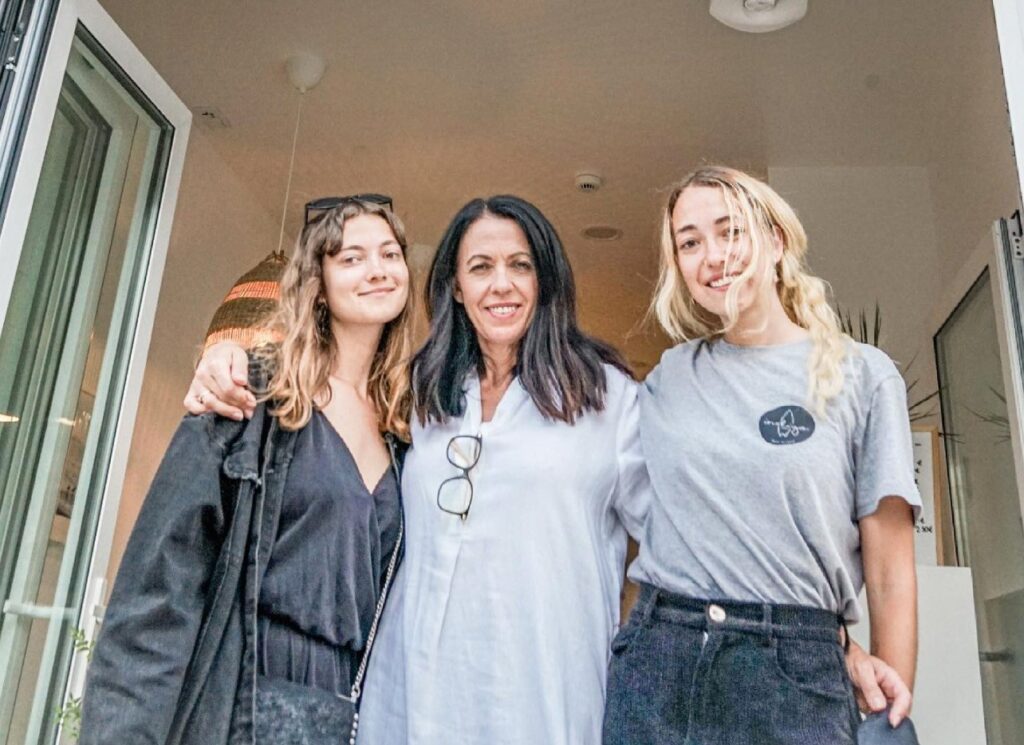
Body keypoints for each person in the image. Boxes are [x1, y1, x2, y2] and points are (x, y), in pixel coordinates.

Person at [187, 193, 912, 744]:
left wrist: (832, 643)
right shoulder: (421, 396)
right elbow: (329, 388)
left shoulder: (610, 399)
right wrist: (235, 357)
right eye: (480, 267)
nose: (501, 284)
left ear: (546, 281)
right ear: (456, 289)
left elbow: (699, 538)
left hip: (545, 706)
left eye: (519, 265)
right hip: (409, 706)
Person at [602, 166, 920, 745]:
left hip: (796, 680)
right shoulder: (671, 377)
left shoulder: (864, 376)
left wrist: (883, 701)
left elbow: (891, 571)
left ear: (775, 241)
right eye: (690, 243)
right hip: (660, 664)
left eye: (731, 231)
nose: (713, 256)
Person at [80, 198, 413, 744]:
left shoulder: (406, 432)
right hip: (240, 697)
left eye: (390, 254)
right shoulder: (250, 397)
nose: (377, 269)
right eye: (352, 258)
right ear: (317, 282)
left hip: (353, 713)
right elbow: (159, 587)